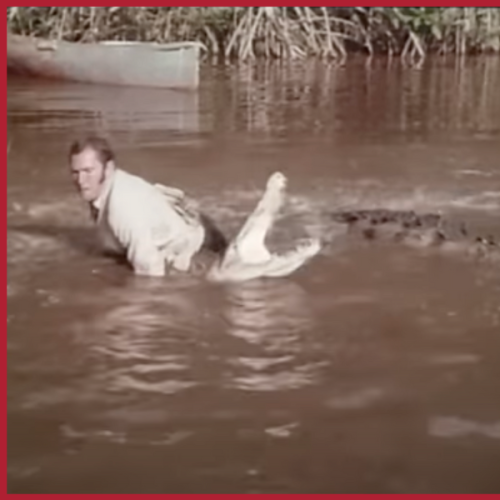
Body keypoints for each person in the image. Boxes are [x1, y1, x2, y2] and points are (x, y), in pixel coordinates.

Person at [68, 135, 321, 282]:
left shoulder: (121, 209)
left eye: (88, 171)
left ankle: (260, 227)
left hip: (202, 259)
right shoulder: (112, 188)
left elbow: (150, 279)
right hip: (196, 230)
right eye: (75, 172)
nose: (81, 180)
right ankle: (264, 215)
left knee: (229, 272)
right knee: (247, 253)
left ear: (109, 169)